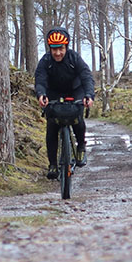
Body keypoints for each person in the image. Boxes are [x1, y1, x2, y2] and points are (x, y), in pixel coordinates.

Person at [34, 26, 95, 180]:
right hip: (53, 93)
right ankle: (53, 164)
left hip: (75, 91)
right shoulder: (46, 61)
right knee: (52, 126)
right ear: (50, 49)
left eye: (61, 49)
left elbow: (86, 76)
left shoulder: (74, 58)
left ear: (66, 47)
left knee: (77, 118)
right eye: (54, 49)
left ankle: (81, 146)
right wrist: (41, 94)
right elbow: (40, 80)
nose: (58, 53)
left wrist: (88, 95)